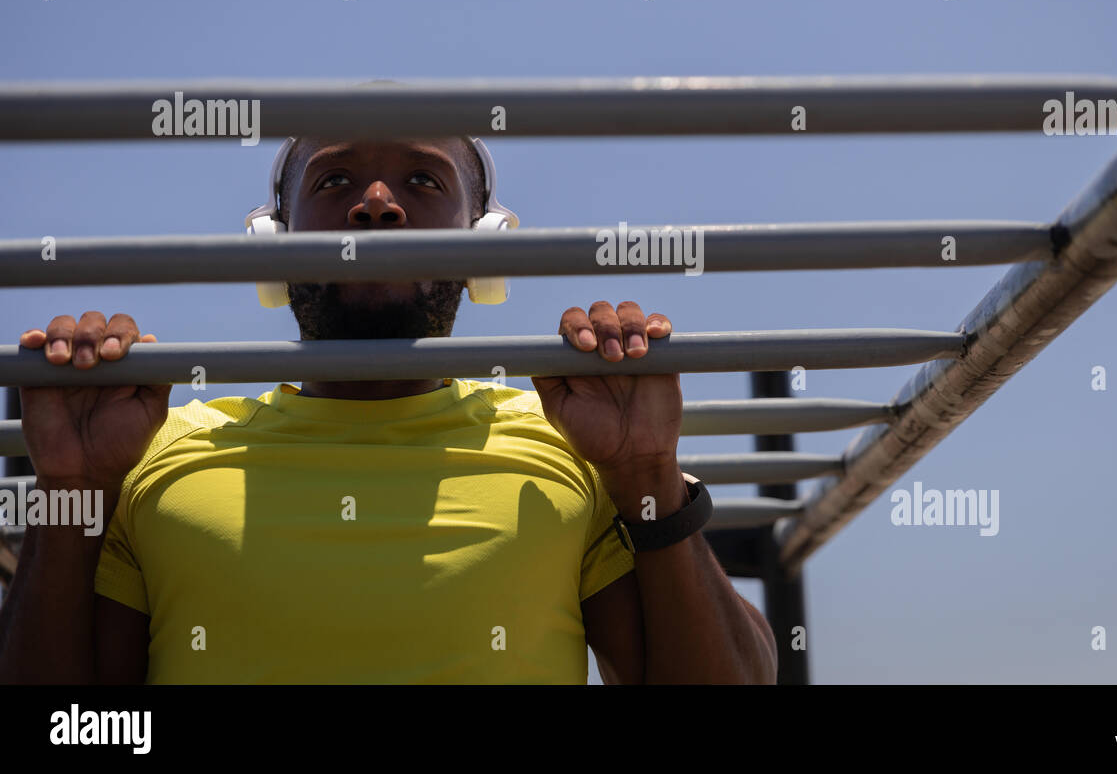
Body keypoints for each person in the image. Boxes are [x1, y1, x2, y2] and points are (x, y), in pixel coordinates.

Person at [0, 134, 778, 684]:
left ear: (487, 242)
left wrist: (649, 473)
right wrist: (77, 488)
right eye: (334, 182)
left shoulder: (567, 445)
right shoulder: (156, 448)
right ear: (273, 241)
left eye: (424, 182)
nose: (377, 205)